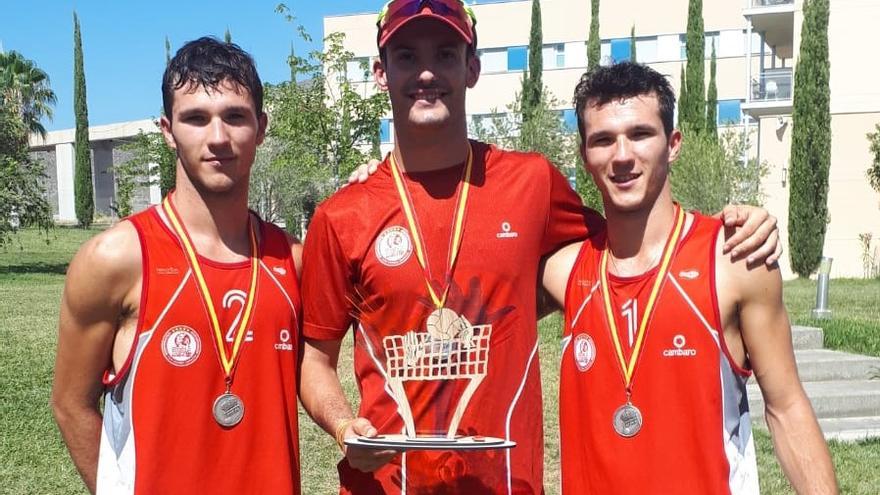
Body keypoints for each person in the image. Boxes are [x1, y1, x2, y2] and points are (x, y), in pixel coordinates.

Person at [302, 2, 781, 494]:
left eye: (445, 53)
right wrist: (343, 427)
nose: (426, 72)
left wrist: (729, 224)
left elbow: (626, 244)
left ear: (472, 68)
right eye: (406, 56)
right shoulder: (342, 216)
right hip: (383, 485)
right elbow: (315, 361)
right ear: (381, 72)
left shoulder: (531, 183)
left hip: (508, 484)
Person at [542, 62, 837, 494]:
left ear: (673, 144)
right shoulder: (564, 271)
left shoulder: (735, 261)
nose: (622, 155)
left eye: (640, 134)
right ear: (585, 156)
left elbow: (787, 407)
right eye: (603, 140)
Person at [50, 37, 302, 494]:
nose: (218, 138)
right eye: (196, 119)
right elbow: (71, 404)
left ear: (261, 127)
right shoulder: (116, 259)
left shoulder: (293, 261)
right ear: (168, 129)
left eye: (235, 116)